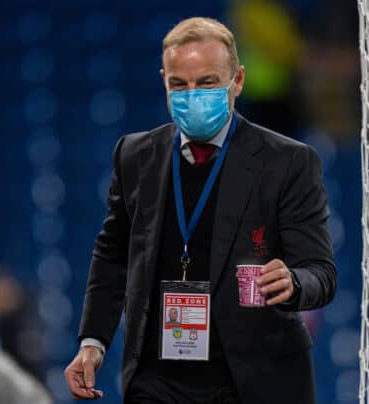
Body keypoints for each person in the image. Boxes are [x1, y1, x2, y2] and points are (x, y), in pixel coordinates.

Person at [64, 17, 336, 404]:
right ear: (164, 81)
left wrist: (293, 282)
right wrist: (93, 342)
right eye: (179, 84)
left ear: (237, 81)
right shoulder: (135, 155)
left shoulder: (288, 162)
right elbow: (112, 255)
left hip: (256, 380)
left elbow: (321, 273)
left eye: (207, 82)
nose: (192, 95)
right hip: (158, 378)